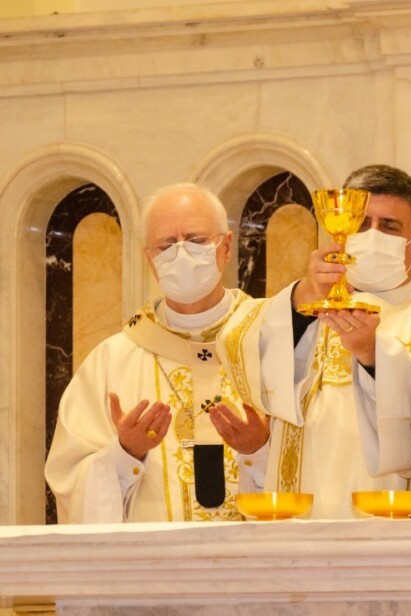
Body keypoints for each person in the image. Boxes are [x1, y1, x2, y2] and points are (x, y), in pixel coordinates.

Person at [219, 165, 411, 519]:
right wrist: (305, 293)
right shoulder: (308, 310)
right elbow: (235, 346)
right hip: (303, 525)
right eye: (361, 224)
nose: (372, 235)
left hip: (391, 529)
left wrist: (373, 355)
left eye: (389, 227)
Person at [45, 183, 269, 523]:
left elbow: (322, 460)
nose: (180, 254)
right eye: (166, 245)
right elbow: (68, 479)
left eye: (195, 240)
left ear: (226, 247)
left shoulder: (271, 342)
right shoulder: (113, 360)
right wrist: (125, 454)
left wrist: (261, 450)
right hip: (155, 569)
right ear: (151, 261)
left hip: (263, 566)